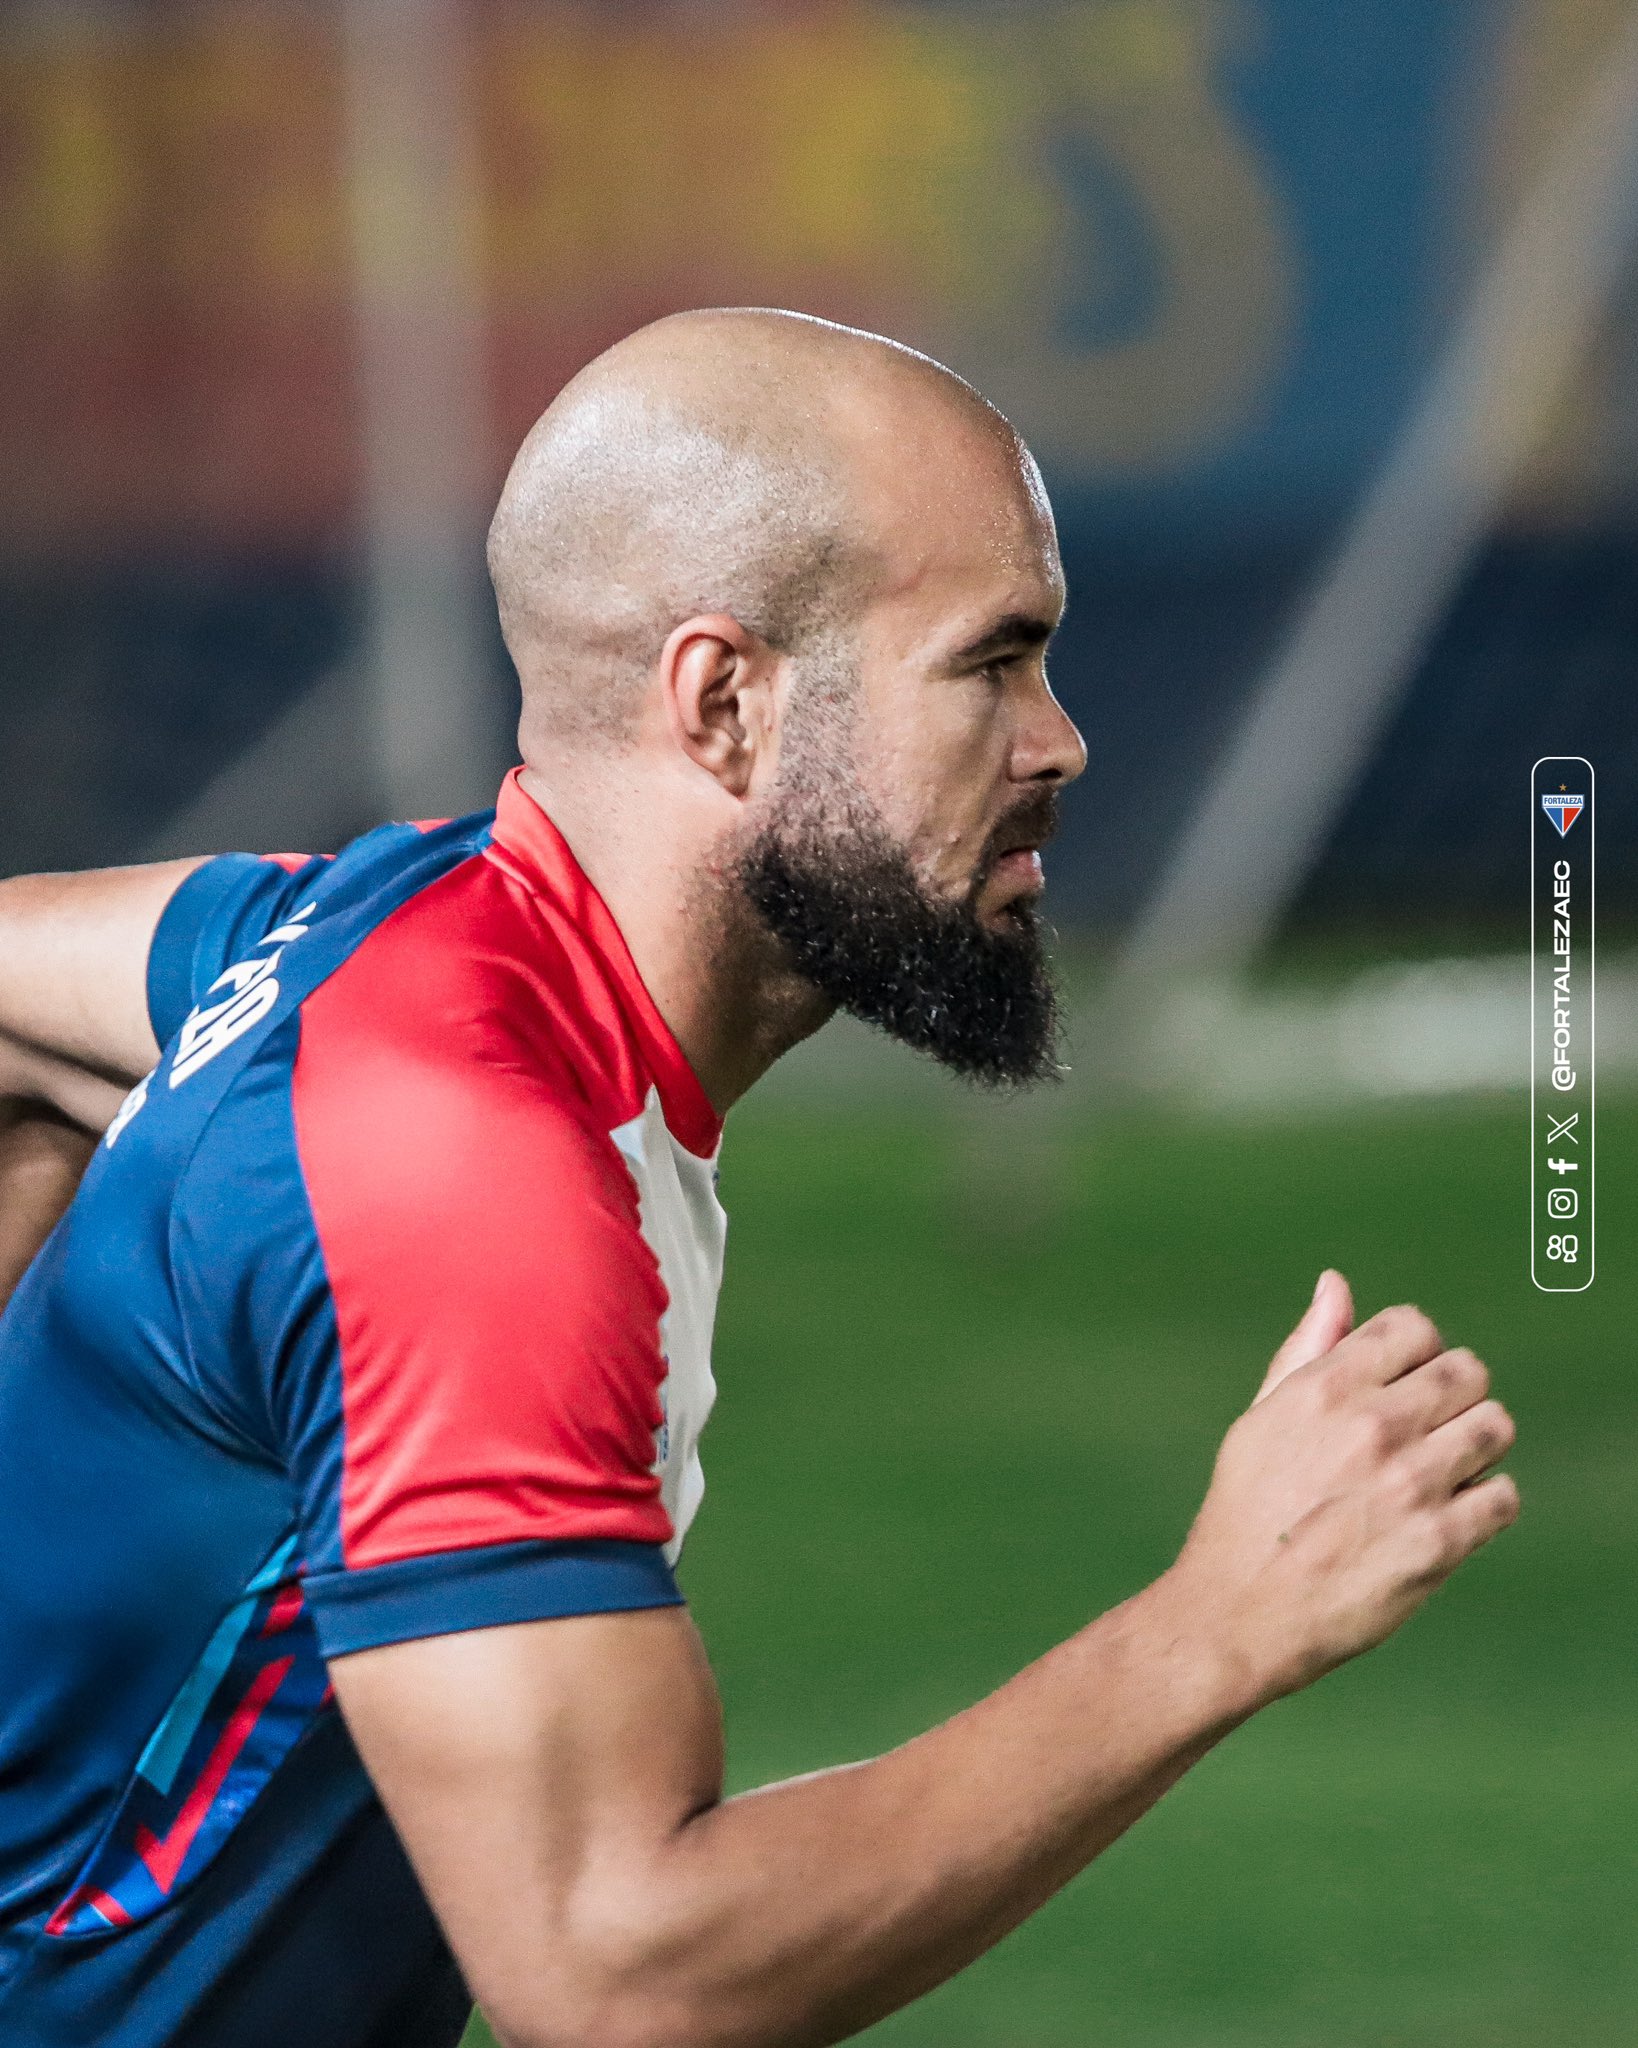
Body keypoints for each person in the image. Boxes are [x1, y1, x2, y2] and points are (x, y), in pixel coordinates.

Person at [0, 310, 1518, 2048]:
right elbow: (617, 1965)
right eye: (990, 661)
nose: (1060, 742)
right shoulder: (466, 1172)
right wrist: (1211, 1628)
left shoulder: (365, 937)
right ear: (724, 702)